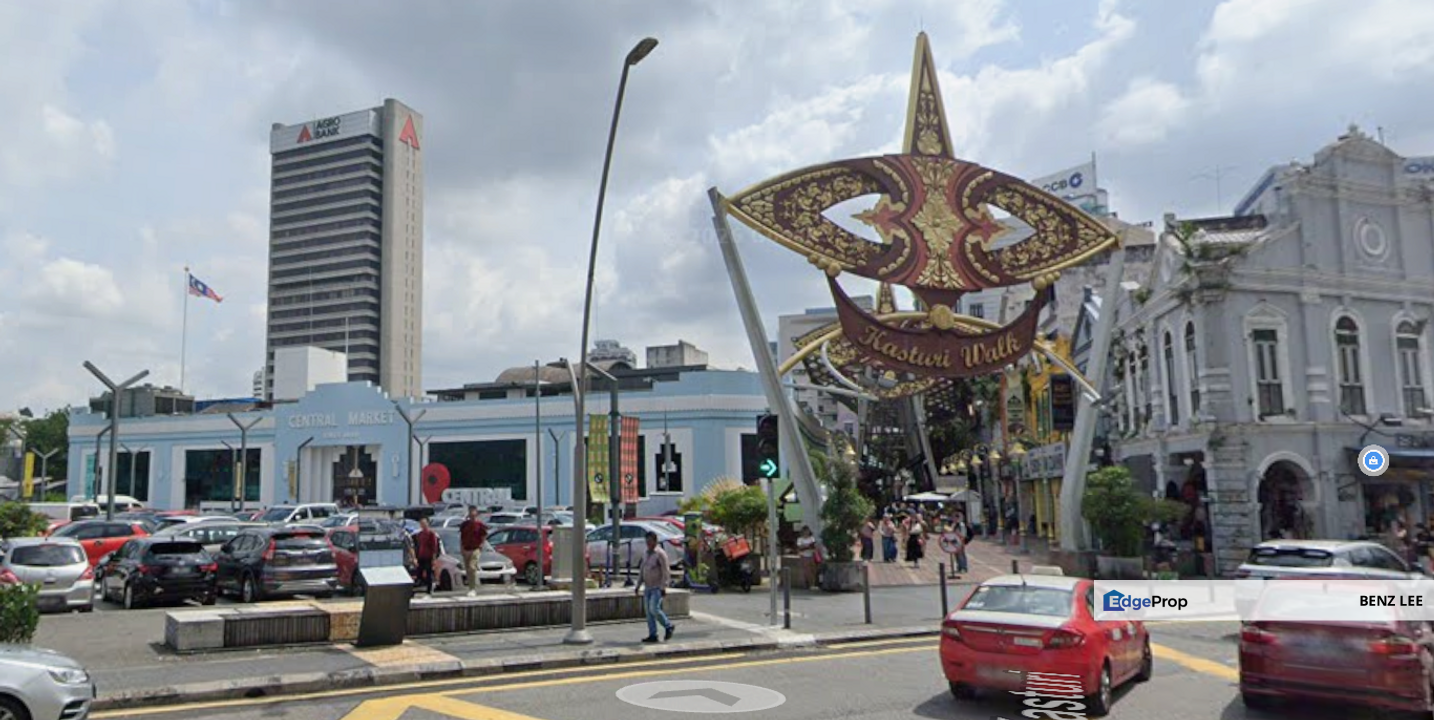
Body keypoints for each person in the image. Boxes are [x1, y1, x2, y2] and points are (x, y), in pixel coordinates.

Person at [635, 531, 675, 643]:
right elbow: (642, 570)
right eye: (646, 541)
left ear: (655, 541)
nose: (648, 543)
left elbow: (666, 571)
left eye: (650, 541)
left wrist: (664, 586)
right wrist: (638, 585)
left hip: (657, 587)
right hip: (647, 587)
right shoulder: (646, 553)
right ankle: (653, 634)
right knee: (648, 612)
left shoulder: (660, 554)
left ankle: (668, 626)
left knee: (654, 609)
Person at [459, 506, 488, 597]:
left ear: (476, 513)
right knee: (468, 569)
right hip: (466, 548)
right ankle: (470, 587)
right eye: (470, 511)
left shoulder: (480, 525)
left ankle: (473, 588)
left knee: (472, 567)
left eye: (473, 511)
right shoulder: (465, 524)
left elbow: (484, 535)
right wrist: (462, 548)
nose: (471, 514)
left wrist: (481, 545)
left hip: (475, 548)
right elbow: (461, 536)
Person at [414, 517, 440, 594]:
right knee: (419, 573)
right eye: (421, 524)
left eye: (424, 523)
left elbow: (434, 546)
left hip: (429, 556)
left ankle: (429, 589)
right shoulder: (419, 535)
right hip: (421, 556)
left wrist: (434, 558)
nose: (423, 525)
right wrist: (416, 556)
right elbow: (417, 546)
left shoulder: (431, 534)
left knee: (428, 573)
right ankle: (428, 584)